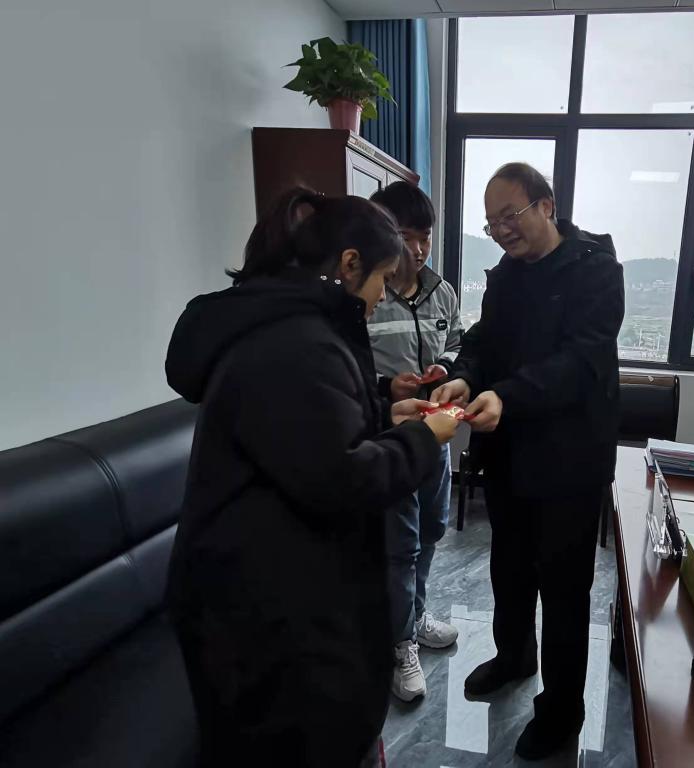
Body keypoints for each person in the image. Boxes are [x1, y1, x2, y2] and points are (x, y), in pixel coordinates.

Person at [164, 188, 459, 768]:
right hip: (267, 615)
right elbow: (343, 479)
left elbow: (312, 435)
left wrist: (385, 412)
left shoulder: (286, 328)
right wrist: (426, 437)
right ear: (349, 264)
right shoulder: (295, 343)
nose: (381, 296)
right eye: (381, 278)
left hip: (271, 593)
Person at [431, 162, 625, 760]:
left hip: (570, 461)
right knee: (509, 568)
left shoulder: (596, 270)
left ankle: (562, 711)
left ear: (546, 206)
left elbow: (580, 362)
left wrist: (507, 396)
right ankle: (514, 656)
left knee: (564, 590)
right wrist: (463, 376)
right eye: (491, 223)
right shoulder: (507, 275)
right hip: (509, 451)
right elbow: (484, 341)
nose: (500, 231)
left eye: (509, 216)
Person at [366, 181, 462, 702]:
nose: (419, 249)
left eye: (425, 236)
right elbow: (349, 372)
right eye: (408, 237)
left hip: (437, 434)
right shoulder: (366, 295)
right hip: (390, 440)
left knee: (430, 530)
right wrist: (388, 387)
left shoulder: (441, 290)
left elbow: (459, 343)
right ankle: (400, 642)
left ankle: (416, 616)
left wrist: (445, 366)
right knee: (400, 545)